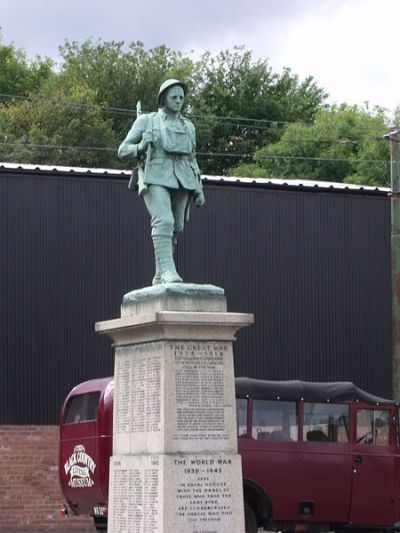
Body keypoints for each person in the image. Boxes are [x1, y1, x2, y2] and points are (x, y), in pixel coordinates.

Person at [118, 79, 205, 284]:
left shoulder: (189, 127)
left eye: (181, 98)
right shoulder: (147, 121)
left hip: (184, 179)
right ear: (163, 98)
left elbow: (192, 158)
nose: (178, 101)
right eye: (173, 97)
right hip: (155, 176)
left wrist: (199, 188)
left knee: (176, 226)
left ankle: (159, 274)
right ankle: (168, 271)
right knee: (164, 221)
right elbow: (122, 150)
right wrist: (140, 146)